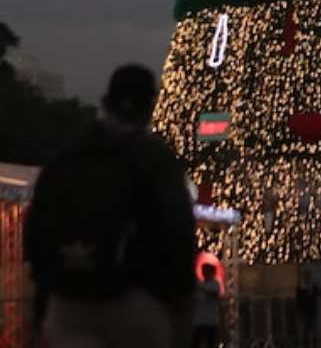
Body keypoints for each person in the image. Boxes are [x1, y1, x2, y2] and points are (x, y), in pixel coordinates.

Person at [25, 63, 197, 348]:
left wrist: (47, 291)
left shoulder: (67, 158)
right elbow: (176, 230)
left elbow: (37, 228)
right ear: (150, 106)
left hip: (70, 301)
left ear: (106, 101)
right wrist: (178, 297)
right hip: (138, 299)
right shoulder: (155, 160)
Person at [191, 262, 221, 348]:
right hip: (198, 322)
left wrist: (199, 287)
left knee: (210, 344)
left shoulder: (215, 284)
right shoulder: (199, 284)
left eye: (206, 271)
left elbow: (213, 293)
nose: (204, 273)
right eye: (203, 271)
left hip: (210, 322)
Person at [295, 268, 321, 348]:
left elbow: (320, 293)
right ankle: (306, 345)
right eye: (306, 277)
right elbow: (298, 301)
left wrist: (313, 289)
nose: (307, 279)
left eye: (308, 277)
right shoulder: (300, 288)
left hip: (312, 311)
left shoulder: (313, 286)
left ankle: (314, 345)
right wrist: (299, 311)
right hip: (305, 312)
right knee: (306, 331)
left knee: (314, 331)